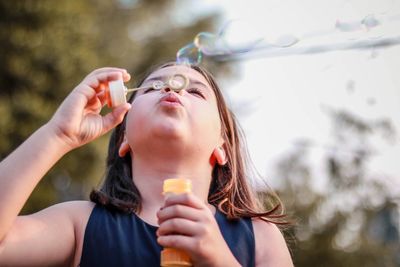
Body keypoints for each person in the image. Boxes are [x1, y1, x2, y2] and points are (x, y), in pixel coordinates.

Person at [0, 62, 294, 267]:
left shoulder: (260, 235)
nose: (172, 91)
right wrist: (58, 135)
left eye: (195, 91)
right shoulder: (81, 223)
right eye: (153, 88)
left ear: (223, 146)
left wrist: (220, 261)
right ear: (124, 137)